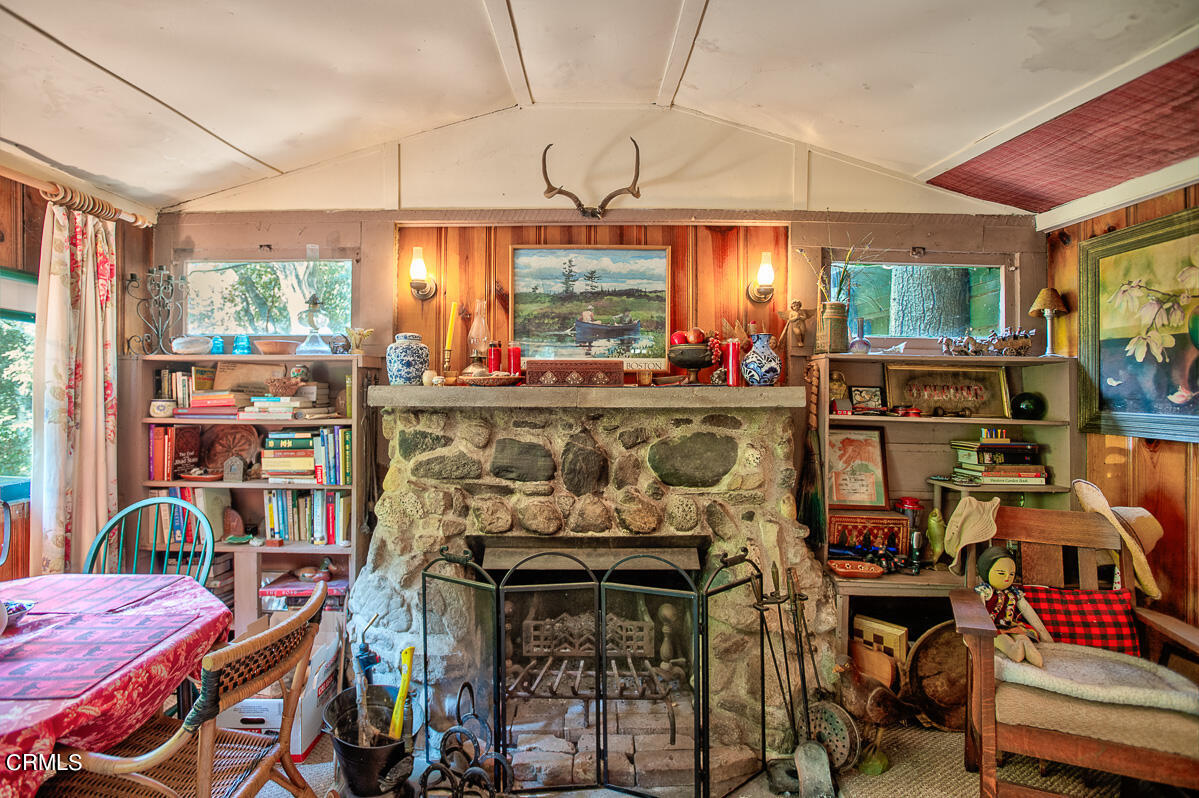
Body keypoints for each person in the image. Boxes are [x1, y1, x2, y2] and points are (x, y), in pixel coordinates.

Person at [975, 545, 1052, 667]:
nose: (1007, 578)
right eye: (1001, 573)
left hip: (1011, 625)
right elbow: (979, 613)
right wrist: (980, 632)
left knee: (1023, 637)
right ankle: (1014, 650)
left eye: (1011, 574)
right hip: (992, 628)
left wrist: (1045, 637)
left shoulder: (1014, 593)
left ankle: (1029, 649)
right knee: (1002, 640)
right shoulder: (985, 591)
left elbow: (1028, 611)